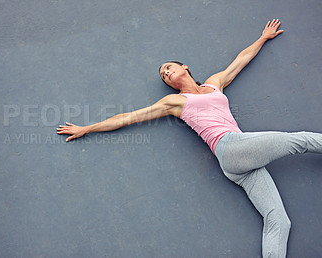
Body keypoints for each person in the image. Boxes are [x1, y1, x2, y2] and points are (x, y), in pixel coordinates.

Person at [56, 19, 322, 257]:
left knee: (278, 220)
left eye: (169, 68)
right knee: (299, 140)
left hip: (239, 164)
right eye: (164, 75)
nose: (167, 73)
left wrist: (263, 38)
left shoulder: (214, 83)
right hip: (229, 148)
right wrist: (86, 128)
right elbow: (130, 117)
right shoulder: (175, 101)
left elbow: (240, 60)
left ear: (184, 67)